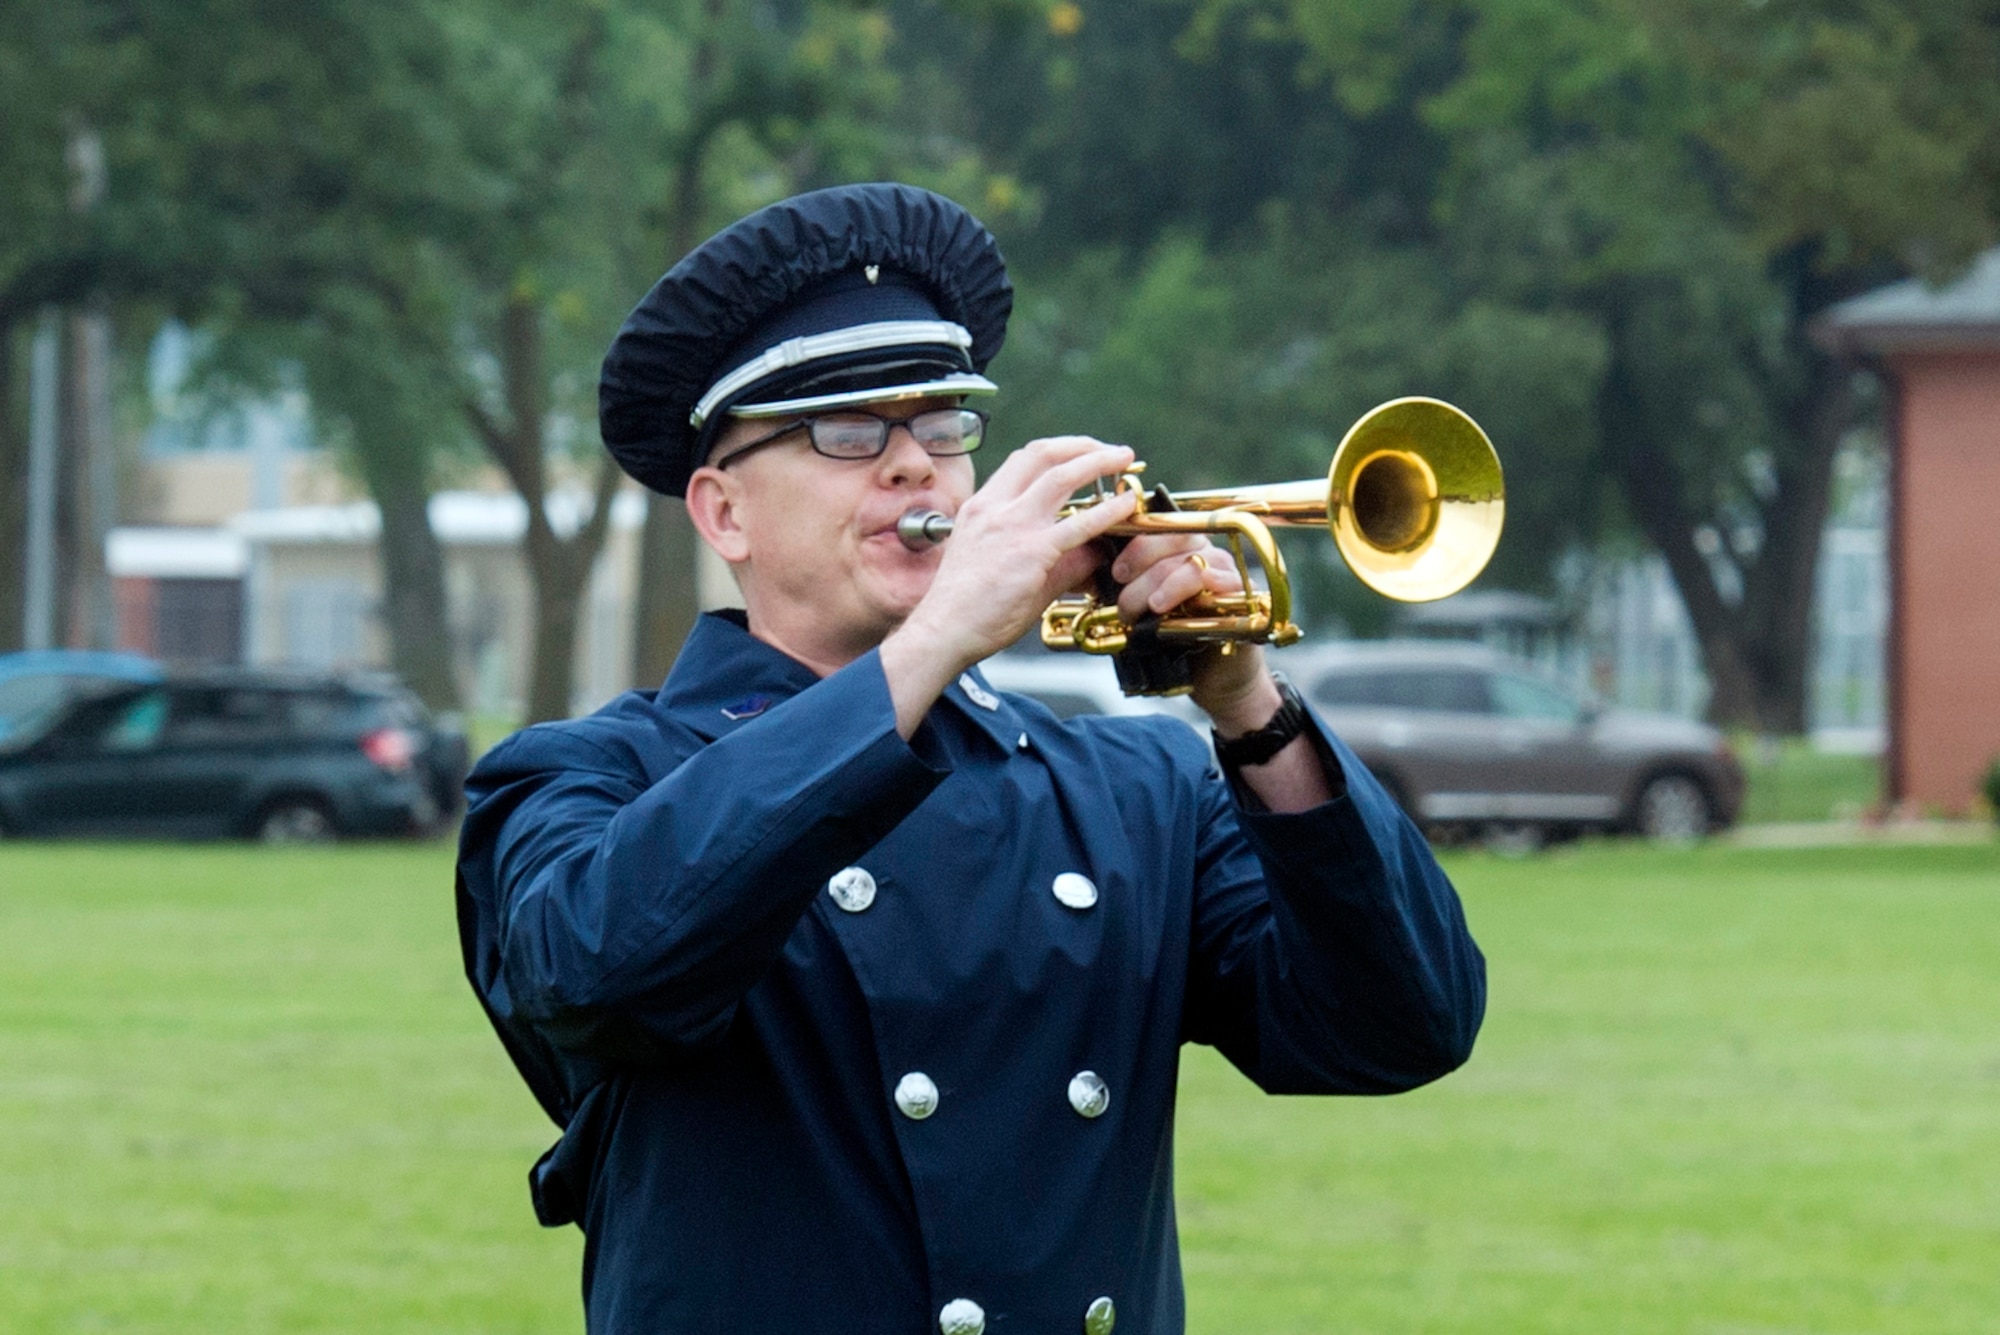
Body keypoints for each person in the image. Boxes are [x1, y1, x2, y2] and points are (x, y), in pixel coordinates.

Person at [456, 182, 1485, 1335]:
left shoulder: (1133, 788)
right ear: (721, 511)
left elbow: (1405, 1026)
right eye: (846, 432)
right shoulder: (578, 780)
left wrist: (1244, 698)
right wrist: (939, 639)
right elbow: (597, 970)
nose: (914, 468)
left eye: (941, 428)